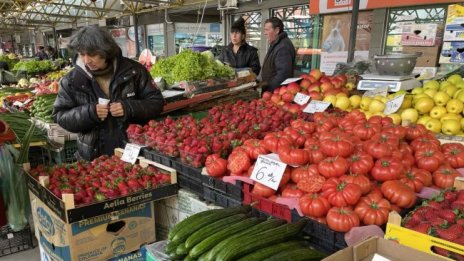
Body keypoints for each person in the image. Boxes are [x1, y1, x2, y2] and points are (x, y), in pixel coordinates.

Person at [53, 25, 165, 161]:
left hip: (134, 152)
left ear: (105, 51)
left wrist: (128, 108)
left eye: (92, 54)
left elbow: (156, 102)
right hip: (93, 157)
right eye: (82, 54)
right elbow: (60, 116)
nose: (87, 60)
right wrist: (89, 113)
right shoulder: (71, 81)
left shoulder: (135, 71)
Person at [260, 17, 296, 92]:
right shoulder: (277, 44)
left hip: (275, 93)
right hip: (273, 92)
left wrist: (269, 90)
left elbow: (283, 75)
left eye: (267, 30)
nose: (264, 33)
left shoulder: (283, 47)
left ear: (276, 30)